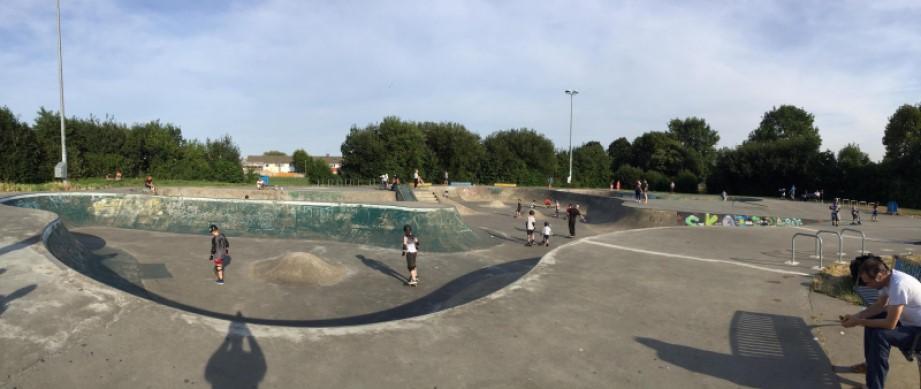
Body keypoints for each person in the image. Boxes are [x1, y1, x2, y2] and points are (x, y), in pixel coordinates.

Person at [841, 256, 921, 389]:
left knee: (881, 335)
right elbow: (879, 306)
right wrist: (855, 317)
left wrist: (859, 322)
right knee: (872, 320)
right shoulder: (887, 280)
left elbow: (890, 325)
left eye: (867, 282)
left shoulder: (898, 285)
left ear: (879, 276)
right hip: (908, 323)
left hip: (918, 332)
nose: (867, 286)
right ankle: (871, 365)